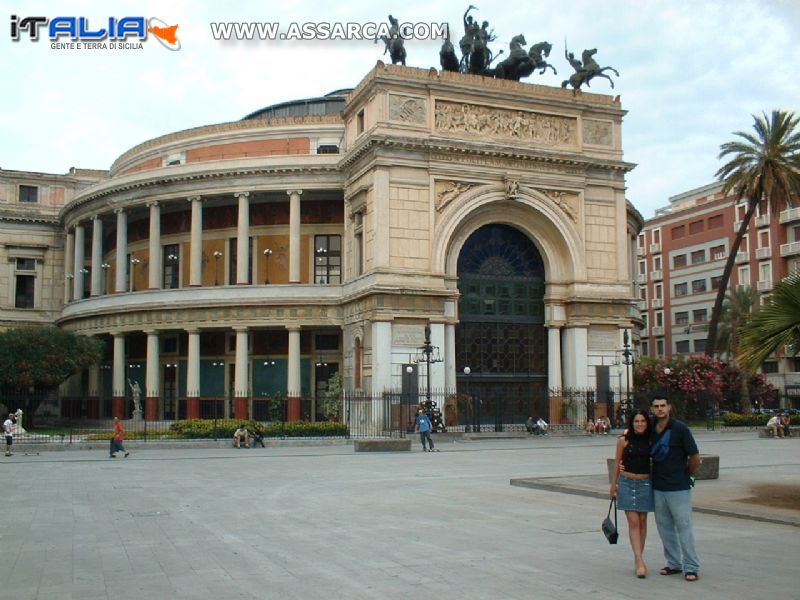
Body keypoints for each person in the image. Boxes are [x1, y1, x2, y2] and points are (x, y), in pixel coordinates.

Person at [650, 393, 701, 582]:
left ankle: (691, 566)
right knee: (664, 527)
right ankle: (673, 563)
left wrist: (688, 474)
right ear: (652, 409)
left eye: (663, 405)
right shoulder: (651, 429)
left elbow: (695, 457)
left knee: (684, 526)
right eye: (656, 406)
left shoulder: (680, 429)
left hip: (678, 486)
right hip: (658, 486)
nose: (660, 409)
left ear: (669, 407)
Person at [610, 410, 654, 578]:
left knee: (642, 520)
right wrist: (614, 485)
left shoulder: (651, 441)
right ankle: (639, 559)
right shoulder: (623, 441)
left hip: (645, 483)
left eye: (643, 421)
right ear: (631, 423)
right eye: (636, 421)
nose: (640, 424)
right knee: (633, 521)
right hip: (627, 482)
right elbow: (617, 463)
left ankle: (639, 557)